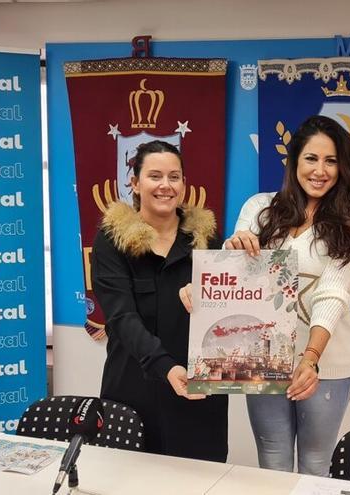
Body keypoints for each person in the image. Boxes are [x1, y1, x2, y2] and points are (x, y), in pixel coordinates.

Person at [225, 115, 350, 475]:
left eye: (331, 160)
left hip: (326, 364)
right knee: (272, 461)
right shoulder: (259, 209)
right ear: (294, 161)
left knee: (315, 463)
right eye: (311, 158)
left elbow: (333, 291)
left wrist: (311, 359)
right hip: (262, 359)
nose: (320, 170)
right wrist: (232, 250)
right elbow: (235, 284)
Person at [91, 140, 228, 462]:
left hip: (198, 392)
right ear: (135, 183)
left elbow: (230, 312)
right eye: (155, 176)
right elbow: (122, 318)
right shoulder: (112, 241)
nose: (165, 186)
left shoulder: (207, 240)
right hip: (133, 389)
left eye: (174, 177)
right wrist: (165, 367)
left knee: (198, 482)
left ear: (184, 184)